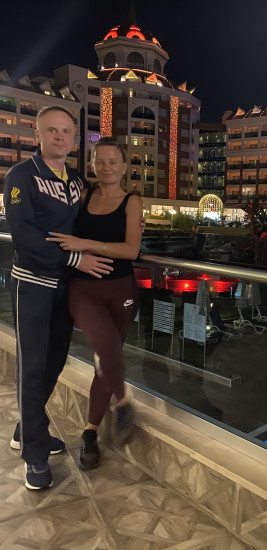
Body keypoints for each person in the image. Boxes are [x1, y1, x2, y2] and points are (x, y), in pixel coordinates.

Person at [4, 106, 114, 490]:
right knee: (32, 368)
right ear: (39, 134)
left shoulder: (76, 180)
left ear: (74, 138)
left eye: (66, 131)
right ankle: (34, 455)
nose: (60, 137)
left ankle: (27, 427)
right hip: (32, 285)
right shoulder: (21, 176)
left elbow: (87, 223)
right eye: (52, 130)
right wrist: (75, 259)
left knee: (53, 363)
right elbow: (24, 236)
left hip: (66, 288)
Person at [48, 137, 143, 470]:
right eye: (100, 161)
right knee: (106, 346)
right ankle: (123, 401)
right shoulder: (82, 197)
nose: (106, 167)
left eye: (113, 161)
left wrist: (85, 243)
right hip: (83, 288)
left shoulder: (132, 201)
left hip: (121, 289)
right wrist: (77, 248)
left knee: (106, 360)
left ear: (124, 166)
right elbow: (59, 233)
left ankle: (90, 432)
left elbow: (131, 250)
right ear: (91, 164)